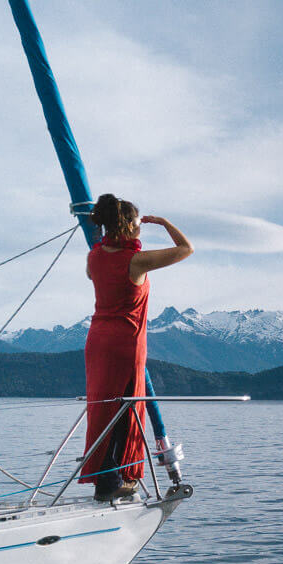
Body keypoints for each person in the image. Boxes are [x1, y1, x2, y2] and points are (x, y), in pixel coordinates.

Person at [82, 193, 193, 501]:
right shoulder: (137, 260)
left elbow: (93, 273)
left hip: (96, 340)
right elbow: (186, 249)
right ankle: (117, 480)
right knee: (126, 411)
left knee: (102, 412)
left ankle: (106, 481)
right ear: (128, 224)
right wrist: (165, 223)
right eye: (138, 222)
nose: (141, 227)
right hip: (125, 343)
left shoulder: (94, 257)